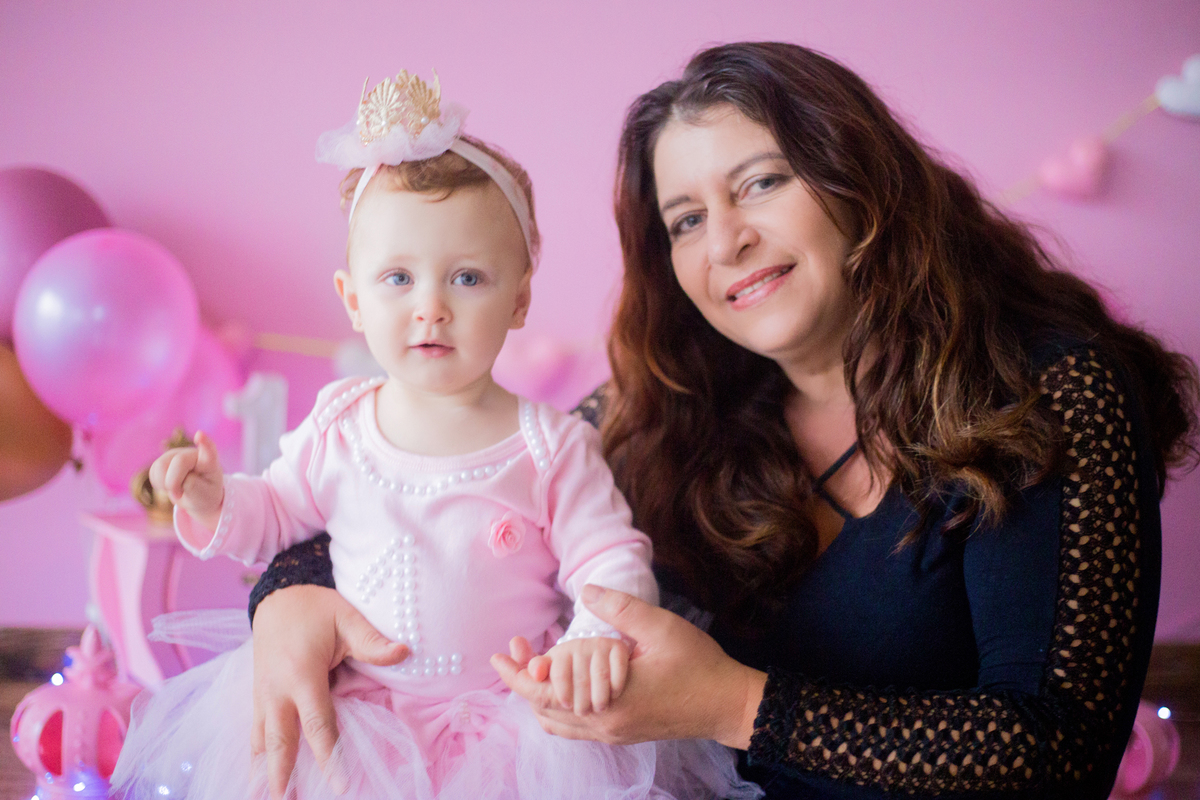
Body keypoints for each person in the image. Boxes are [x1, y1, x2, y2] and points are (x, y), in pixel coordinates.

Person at [246, 43, 1200, 799]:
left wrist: (735, 705)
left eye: (760, 183)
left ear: (859, 183)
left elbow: (1058, 752)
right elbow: (438, 471)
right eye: (686, 219)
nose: (728, 240)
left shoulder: (1049, 389)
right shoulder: (668, 404)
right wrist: (284, 600)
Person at [109, 71, 760, 800]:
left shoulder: (548, 444)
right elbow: (275, 520)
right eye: (397, 279)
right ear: (352, 299)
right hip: (365, 719)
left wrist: (591, 641)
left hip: (514, 726)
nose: (431, 308)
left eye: (468, 279)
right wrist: (213, 497)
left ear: (519, 301)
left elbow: (609, 556)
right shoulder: (339, 425)